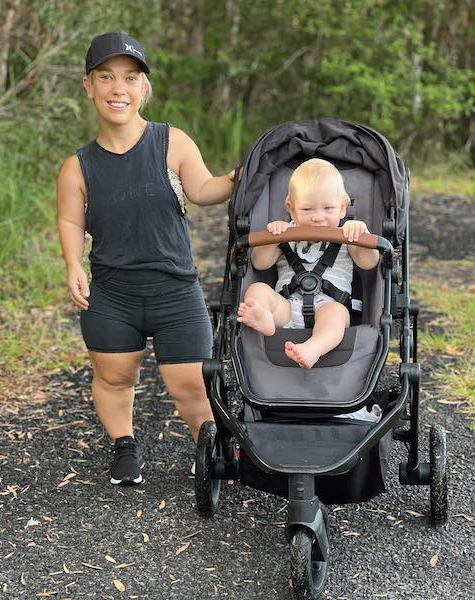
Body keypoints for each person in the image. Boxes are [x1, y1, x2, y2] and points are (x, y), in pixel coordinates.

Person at [56, 32, 235, 485]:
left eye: (130, 78)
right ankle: (124, 446)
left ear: (144, 88)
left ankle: (207, 449)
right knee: (115, 377)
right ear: (89, 86)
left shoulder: (171, 142)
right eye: (107, 77)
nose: (119, 88)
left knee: (192, 384)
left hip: (175, 289)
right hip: (113, 293)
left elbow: (204, 189)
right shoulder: (77, 167)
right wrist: (74, 263)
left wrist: (240, 175)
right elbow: (71, 222)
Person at [237, 158, 380, 369]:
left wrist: (361, 236)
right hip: (285, 307)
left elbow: (369, 263)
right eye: (306, 210)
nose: (317, 217)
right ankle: (263, 318)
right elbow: (259, 263)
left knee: (336, 315)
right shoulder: (286, 232)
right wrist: (273, 237)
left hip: (329, 304)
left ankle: (314, 347)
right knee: (257, 289)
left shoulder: (347, 233)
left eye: (328, 208)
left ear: (342, 208)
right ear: (291, 209)